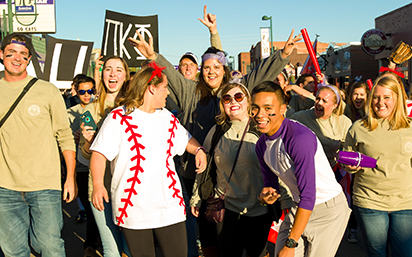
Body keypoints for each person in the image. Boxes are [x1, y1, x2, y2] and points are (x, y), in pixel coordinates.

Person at [90, 62, 207, 257]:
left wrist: (199, 150)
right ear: (151, 89)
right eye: (165, 88)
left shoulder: (167, 117)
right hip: (134, 209)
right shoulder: (118, 117)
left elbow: (186, 139)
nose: (168, 93)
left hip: (170, 206)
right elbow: (99, 153)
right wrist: (97, 184)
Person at [251, 81, 350, 257]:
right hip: (300, 207)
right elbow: (270, 184)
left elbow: (308, 195)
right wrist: (265, 195)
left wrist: (291, 243)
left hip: (328, 211)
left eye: (268, 108)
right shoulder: (261, 145)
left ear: (283, 109)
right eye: (255, 108)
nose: (260, 115)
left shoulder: (299, 138)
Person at [0, 33, 77, 256]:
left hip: (45, 185)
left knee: (49, 247)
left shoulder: (47, 90)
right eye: (11, 52)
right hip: (5, 187)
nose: (17, 58)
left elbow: (65, 136)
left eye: (23, 54)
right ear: (2, 55)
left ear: (30, 59)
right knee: (14, 251)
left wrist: (70, 177)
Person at [190, 82, 272, 257]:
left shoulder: (262, 129)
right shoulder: (216, 131)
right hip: (226, 209)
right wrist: (196, 197)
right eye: (227, 98)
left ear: (248, 101)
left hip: (258, 209)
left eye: (238, 97)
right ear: (223, 105)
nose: (233, 101)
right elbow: (203, 167)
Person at [343, 76, 412, 257]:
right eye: (376, 97)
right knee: (377, 253)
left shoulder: (410, 127)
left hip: (405, 202)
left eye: (386, 97)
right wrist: (350, 165)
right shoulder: (358, 127)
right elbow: (348, 159)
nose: (380, 103)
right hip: (369, 201)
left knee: (404, 253)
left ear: (397, 99)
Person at [290, 84, 357, 243]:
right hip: (306, 172)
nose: (319, 103)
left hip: (332, 173)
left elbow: (348, 150)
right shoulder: (300, 118)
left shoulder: (344, 122)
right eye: (317, 99)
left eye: (325, 101)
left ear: (335, 105)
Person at [80, 56, 131, 257]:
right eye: (108, 69)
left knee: (129, 247)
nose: (112, 73)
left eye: (118, 69)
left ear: (125, 75)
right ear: (102, 75)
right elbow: (84, 157)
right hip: (100, 187)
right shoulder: (90, 109)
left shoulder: (135, 107)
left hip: (129, 187)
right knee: (111, 248)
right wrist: (86, 141)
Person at [67, 75, 101, 256]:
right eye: (82, 91)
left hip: (98, 166)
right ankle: (91, 244)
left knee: (98, 207)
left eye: (91, 91)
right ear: (75, 91)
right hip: (80, 167)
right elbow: (64, 143)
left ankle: (93, 243)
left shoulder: (101, 109)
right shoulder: (70, 113)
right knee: (90, 208)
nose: (87, 95)